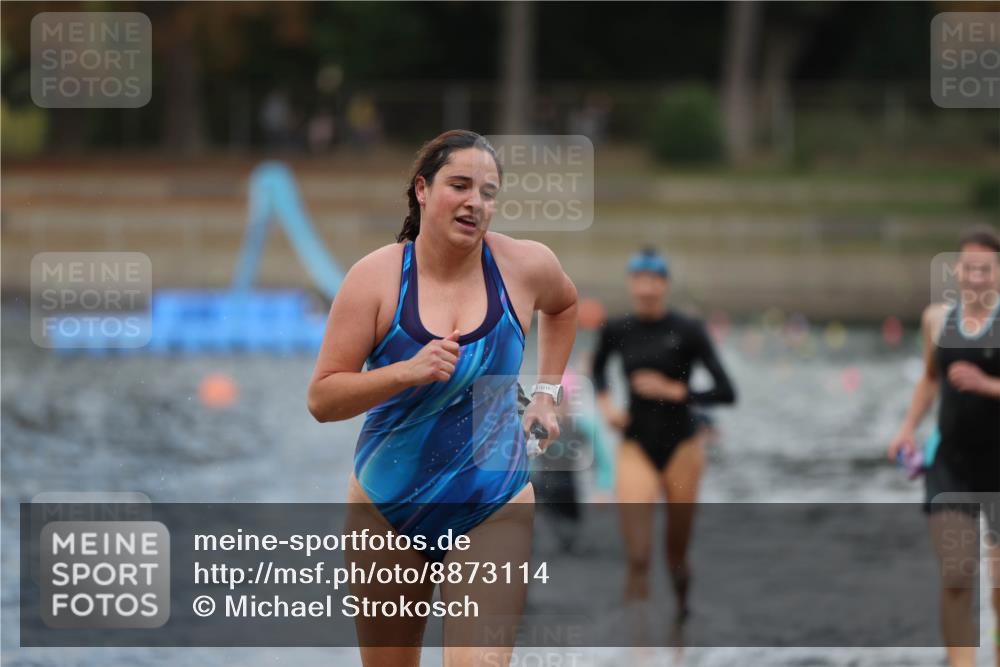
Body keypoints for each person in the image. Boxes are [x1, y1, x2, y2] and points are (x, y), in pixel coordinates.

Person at [307, 130, 578, 667]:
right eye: (460, 185)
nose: (476, 202)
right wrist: (406, 372)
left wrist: (546, 393)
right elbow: (323, 397)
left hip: (492, 502)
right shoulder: (376, 278)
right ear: (423, 190)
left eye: (488, 192)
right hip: (388, 508)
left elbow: (564, 306)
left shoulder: (524, 266)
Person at [592, 247, 736, 623]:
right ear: (631, 283)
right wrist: (607, 405)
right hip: (636, 445)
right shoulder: (617, 329)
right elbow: (597, 369)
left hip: (683, 447)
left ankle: (680, 617)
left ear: (665, 285)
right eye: (639, 280)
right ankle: (638, 641)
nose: (646, 288)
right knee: (638, 555)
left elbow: (727, 391)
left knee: (676, 556)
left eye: (654, 280)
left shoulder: (688, 330)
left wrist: (675, 391)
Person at [888, 226, 1000, 667]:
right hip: (949, 463)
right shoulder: (937, 319)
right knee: (957, 575)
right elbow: (931, 378)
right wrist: (906, 428)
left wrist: (988, 385)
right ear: (957, 270)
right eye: (969, 268)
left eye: (986, 270)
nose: (976, 278)